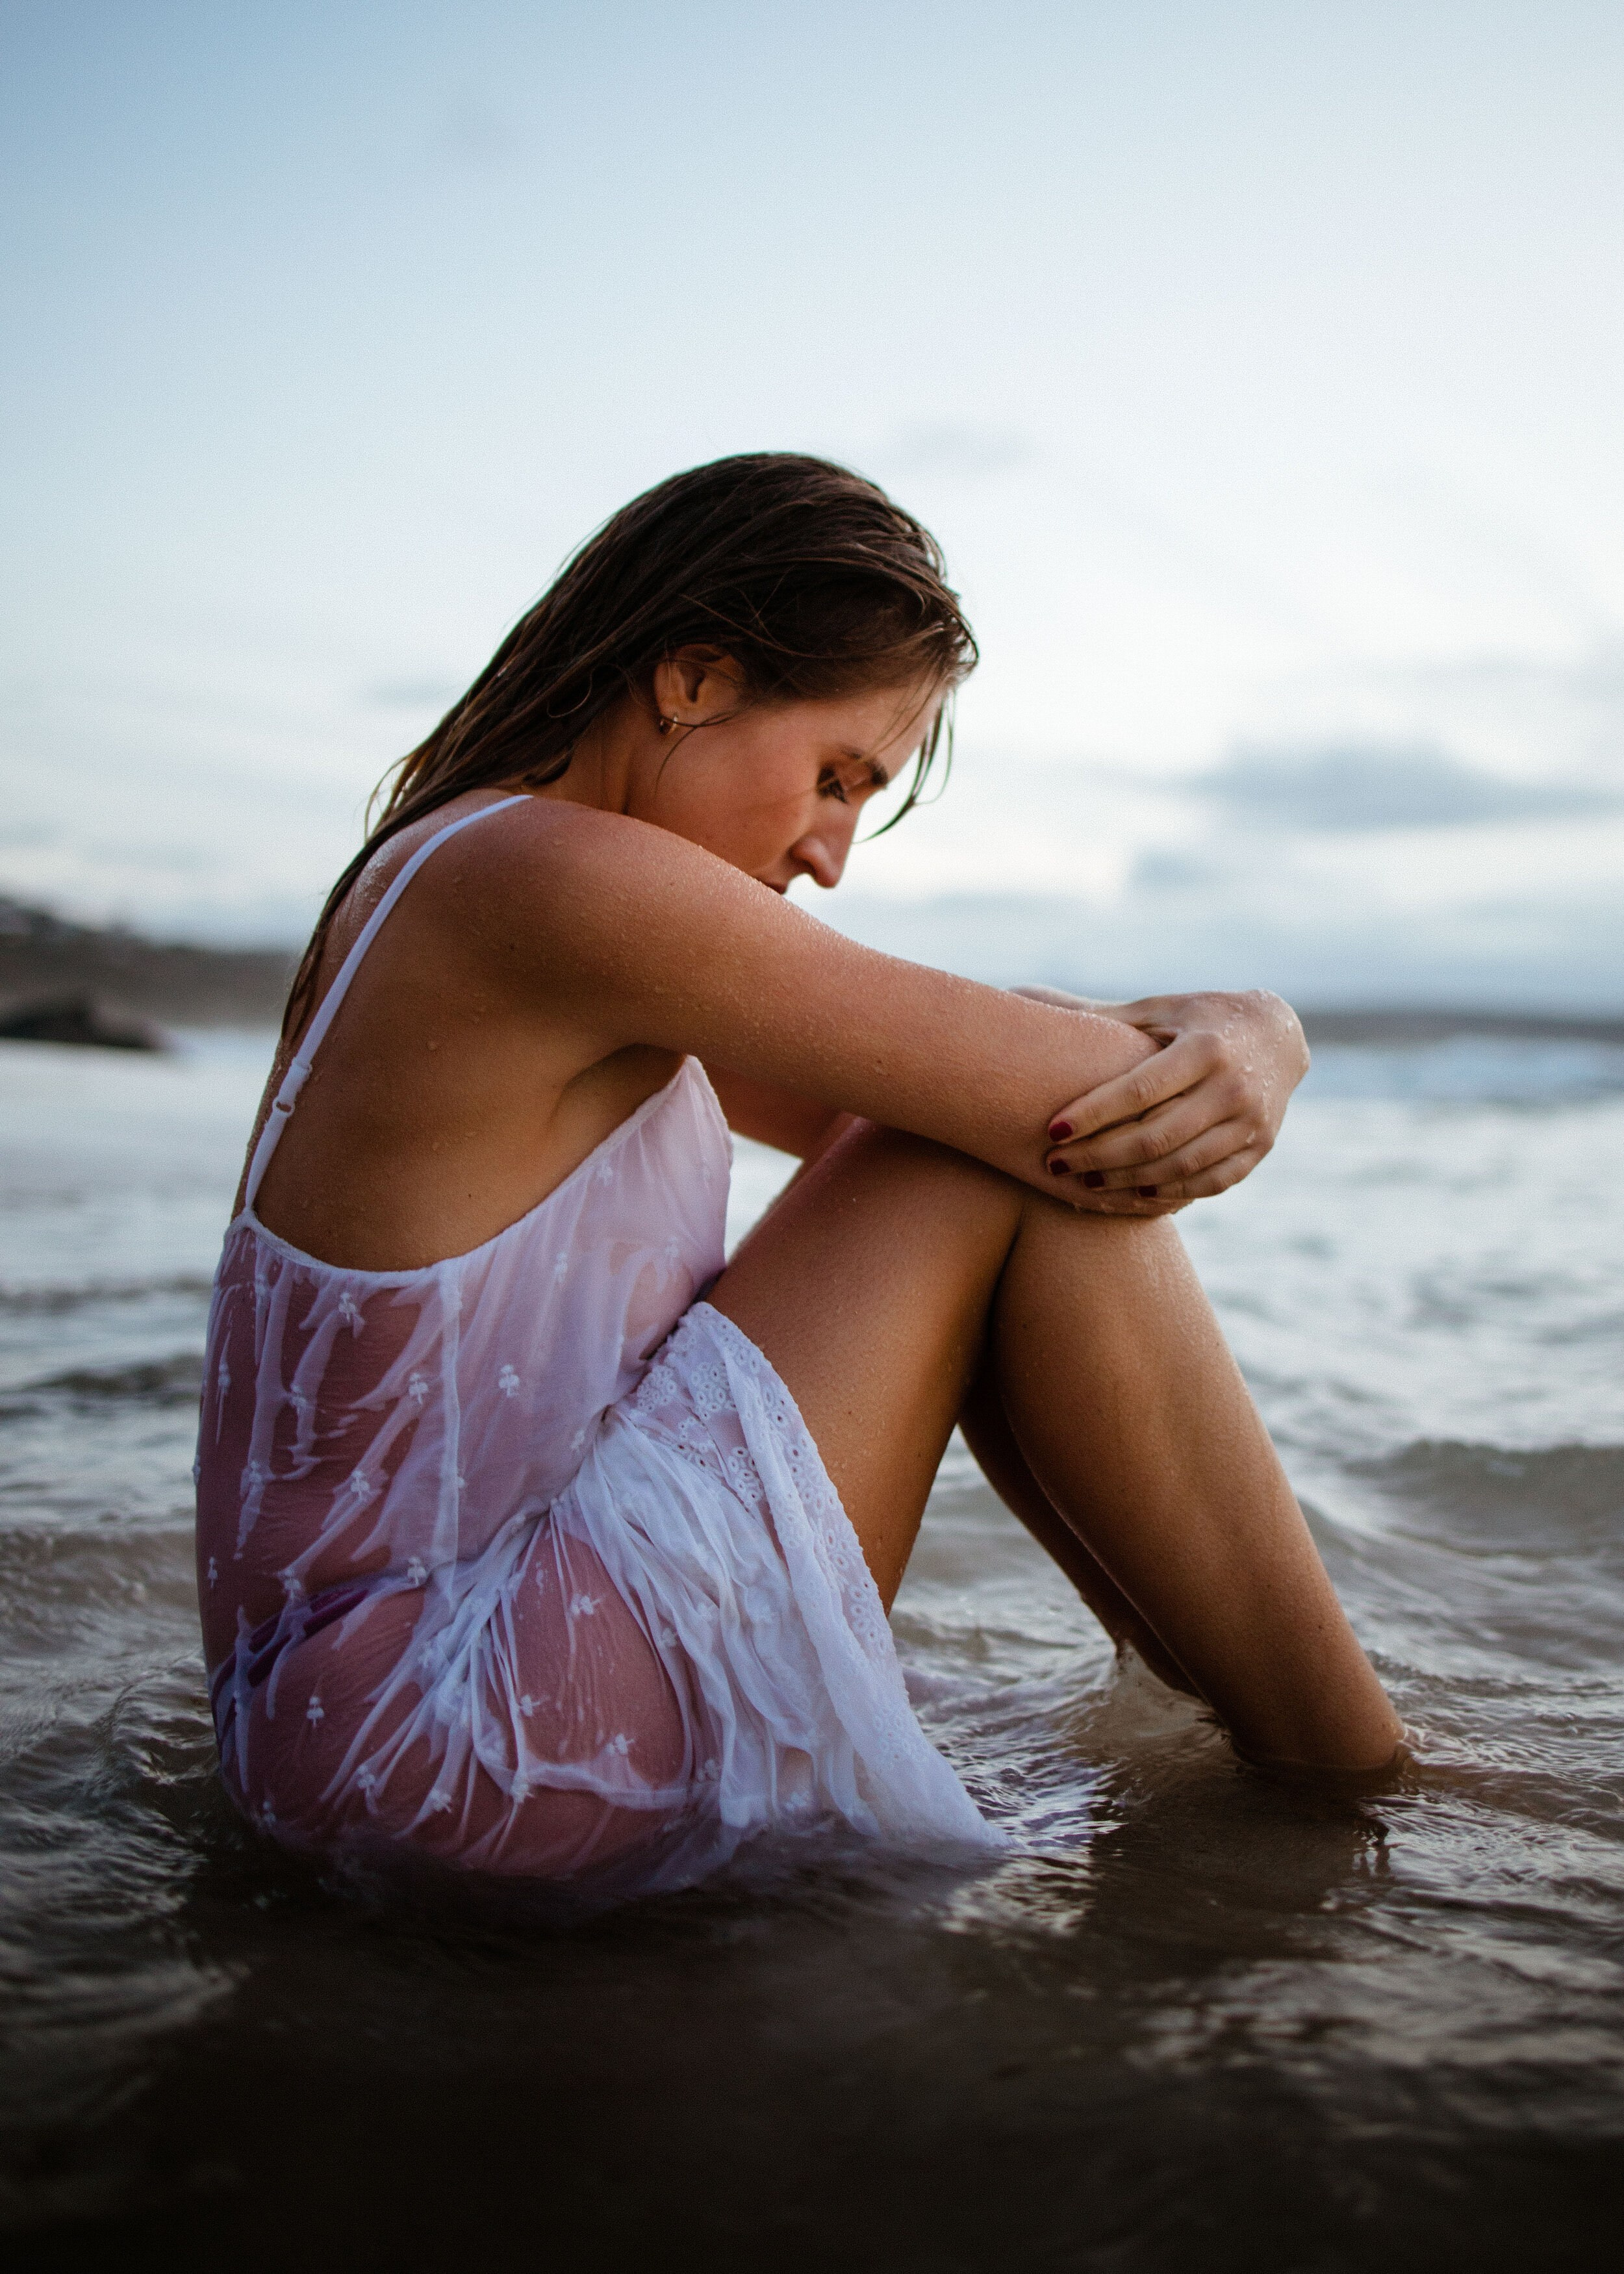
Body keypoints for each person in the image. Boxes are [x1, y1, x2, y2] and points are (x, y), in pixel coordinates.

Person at [195, 453, 1401, 1893]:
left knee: (984, 1141)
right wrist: (1265, 1031)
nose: (830, 853)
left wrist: (1230, 1034)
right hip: (444, 1745)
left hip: (348, 1731)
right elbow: (1046, 1102)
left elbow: (950, 1076)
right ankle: (1349, 1783)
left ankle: (1259, 1721)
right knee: (1008, 1152)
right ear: (693, 679)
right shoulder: (543, 879)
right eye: (834, 777)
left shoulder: (473, 880)